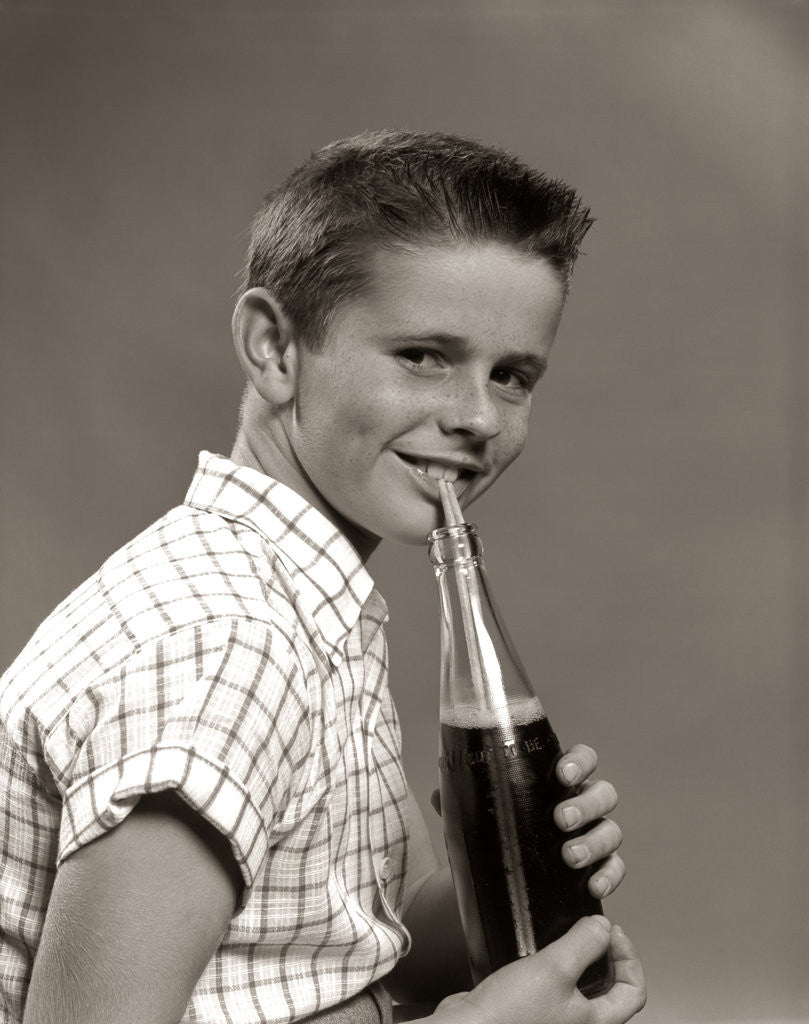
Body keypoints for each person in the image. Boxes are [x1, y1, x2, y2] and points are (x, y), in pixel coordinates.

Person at [0, 130, 646, 1024]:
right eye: (422, 354)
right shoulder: (228, 642)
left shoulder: (299, 606)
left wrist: (481, 892)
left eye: (512, 375)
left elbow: (316, 976)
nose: (474, 417)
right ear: (273, 348)